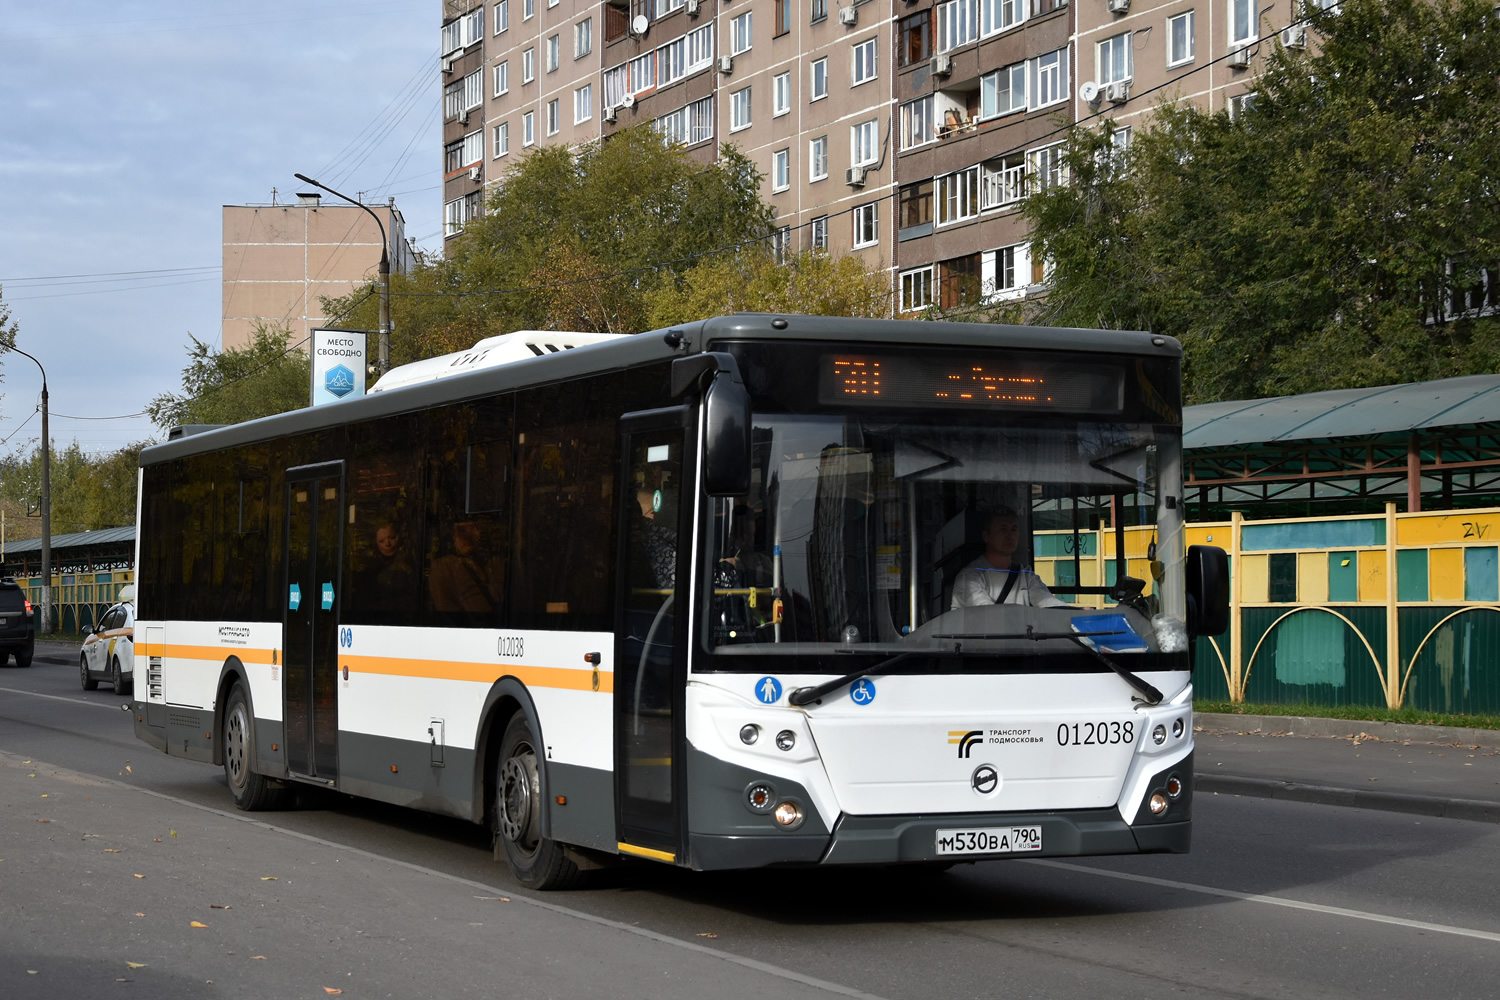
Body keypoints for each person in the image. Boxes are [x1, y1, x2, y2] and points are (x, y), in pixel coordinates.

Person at [950, 508, 1066, 610]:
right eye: (1003, 529)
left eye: (1014, 529)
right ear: (986, 536)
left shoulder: (1026, 575)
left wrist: (1072, 612)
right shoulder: (969, 577)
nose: (1010, 536)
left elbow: (1047, 601)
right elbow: (986, 613)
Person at [430, 520, 503, 615]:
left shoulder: (492, 563)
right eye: (462, 530)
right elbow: (447, 612)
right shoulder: (443, 567)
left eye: (473, 529)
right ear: (453, 537)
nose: (467, 536)